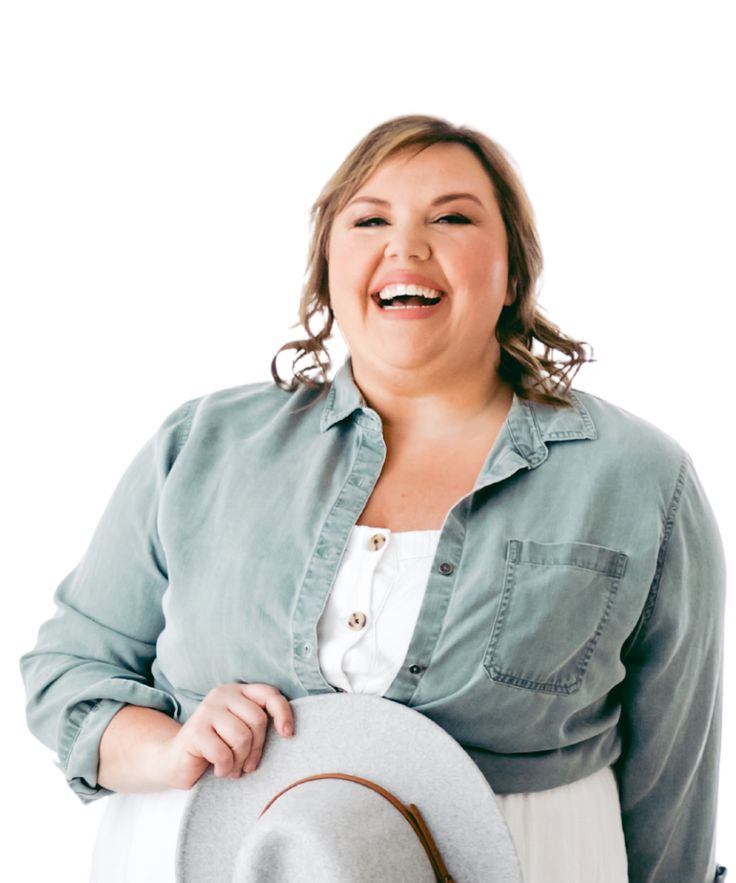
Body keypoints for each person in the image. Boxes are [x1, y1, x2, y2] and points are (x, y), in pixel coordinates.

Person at [20, 114, 726, 883]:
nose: (407, 246)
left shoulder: (637, 478)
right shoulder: (201, 446)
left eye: (452, 217)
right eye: (370, 219)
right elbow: (69, 672)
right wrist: (168, 744)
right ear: (328, 262)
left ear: (516, 269)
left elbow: (673, 778)